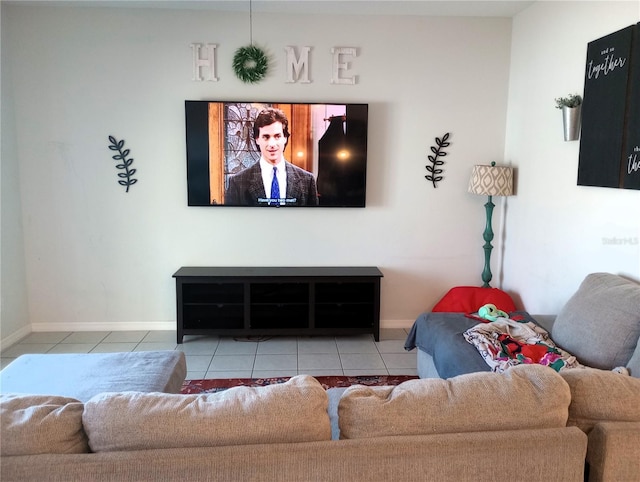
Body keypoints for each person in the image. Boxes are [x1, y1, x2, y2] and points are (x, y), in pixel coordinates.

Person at [225, 107, 319, 206]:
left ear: (285, 138)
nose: (272, 144)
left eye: (277, 136)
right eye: (266, 137)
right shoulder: (237, 183)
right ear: (257, 139)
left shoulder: (307, 181)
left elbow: (312, 220)